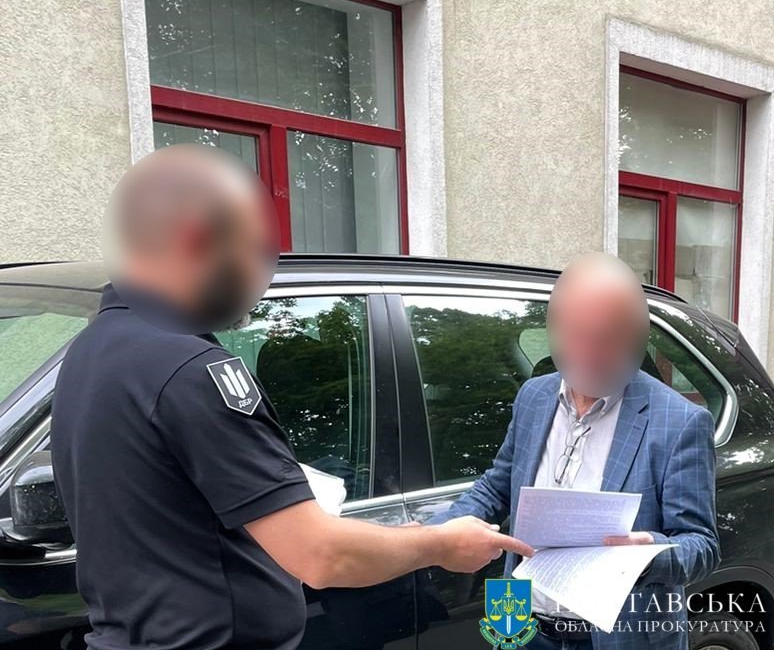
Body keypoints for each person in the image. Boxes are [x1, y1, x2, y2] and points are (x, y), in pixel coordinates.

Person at [50, 144, 533, 650]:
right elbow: (321, 556)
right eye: (259, 254)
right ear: (197, 240)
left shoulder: (91, 351)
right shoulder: (189, 369)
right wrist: (441, 544)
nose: (263, 280)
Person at [424, 253, 720, 650]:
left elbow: (702, 546)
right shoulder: (533, 396)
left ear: (638, 337)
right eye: (577, 335)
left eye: (607, 339)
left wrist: (647, 555)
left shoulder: (681, 422)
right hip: (521, 623)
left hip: (617, 637)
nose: (589, 354)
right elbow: (497, 487)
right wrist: (433, 534)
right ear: (554, 330)